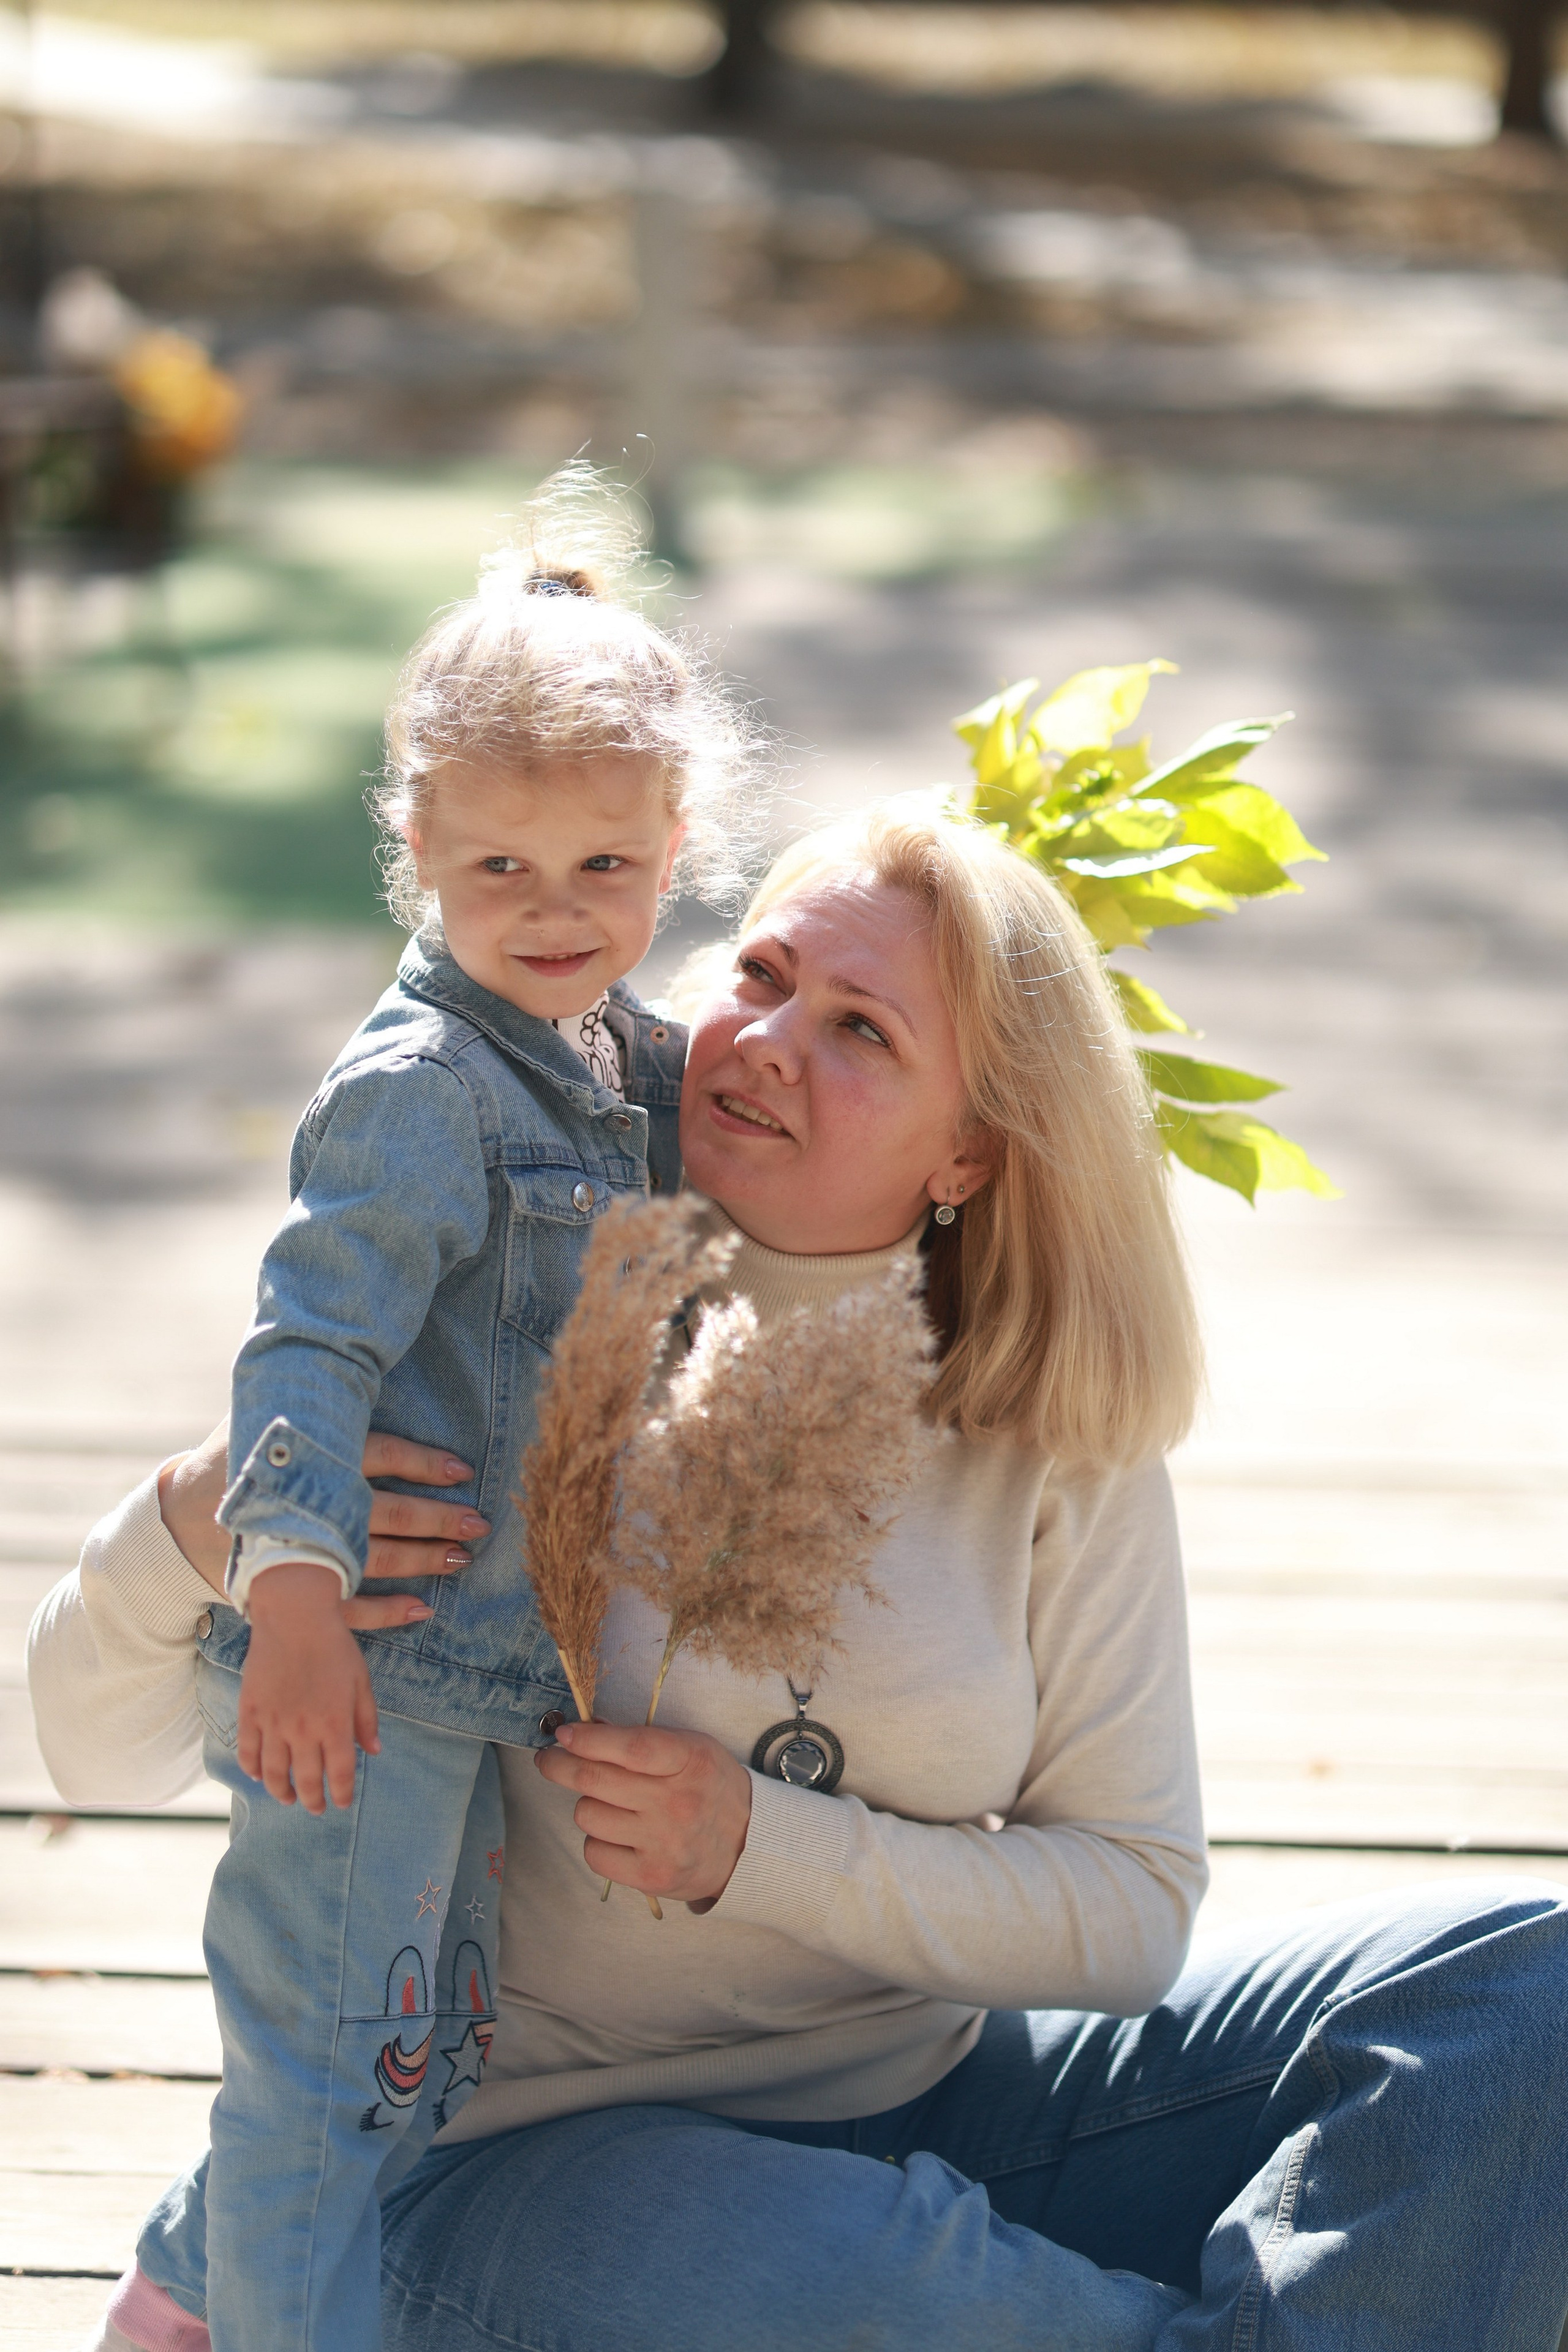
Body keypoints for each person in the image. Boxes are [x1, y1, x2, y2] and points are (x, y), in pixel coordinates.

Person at [32, 799, 1568, 2352]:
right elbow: (95, 1753)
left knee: (1526, 1992)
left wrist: (751, 1842)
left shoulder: (1039, 1428)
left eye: (858, 1032)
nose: (765, 1038)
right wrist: (196, 1517)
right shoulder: (515, 1311)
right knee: (829, 2276)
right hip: (532, 2177)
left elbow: (1127, 1906)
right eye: (757, 974)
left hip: (959, 2098)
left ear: (968, 1149)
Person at [40, 466, 758, 2352]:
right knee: (320, 2082)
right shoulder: (426, 1085)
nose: (555, 909)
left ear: (671, 847)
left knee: (410, 2064)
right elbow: (308, 1345)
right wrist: (284, 1600)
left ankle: (175, 2306)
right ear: (418, 840)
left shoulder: (615, 1057)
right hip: (357, 1677)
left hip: (483, 1677)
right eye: (500, 868)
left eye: (604, 867)